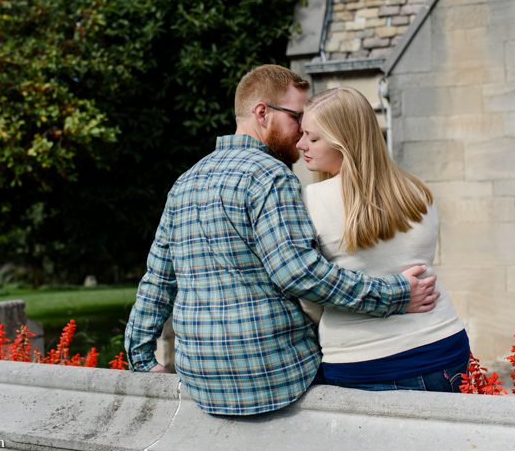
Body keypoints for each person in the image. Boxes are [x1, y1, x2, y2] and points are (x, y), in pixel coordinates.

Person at [124, 65, 440, 416]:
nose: (302, 133)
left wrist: (139, 358)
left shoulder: (184, 182)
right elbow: (299, 274)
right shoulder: (271, 176)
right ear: (262, 113)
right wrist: (395, 294)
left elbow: (158, 280)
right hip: (279, 375)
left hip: (201, 381)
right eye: (297, 118)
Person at [296, 86, 469, 392]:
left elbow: (311, 295)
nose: (300, 145)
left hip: (362, 359)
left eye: (312, 137)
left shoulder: (311, 200)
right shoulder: (418, 191)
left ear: (342, 141)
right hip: (443, 342)